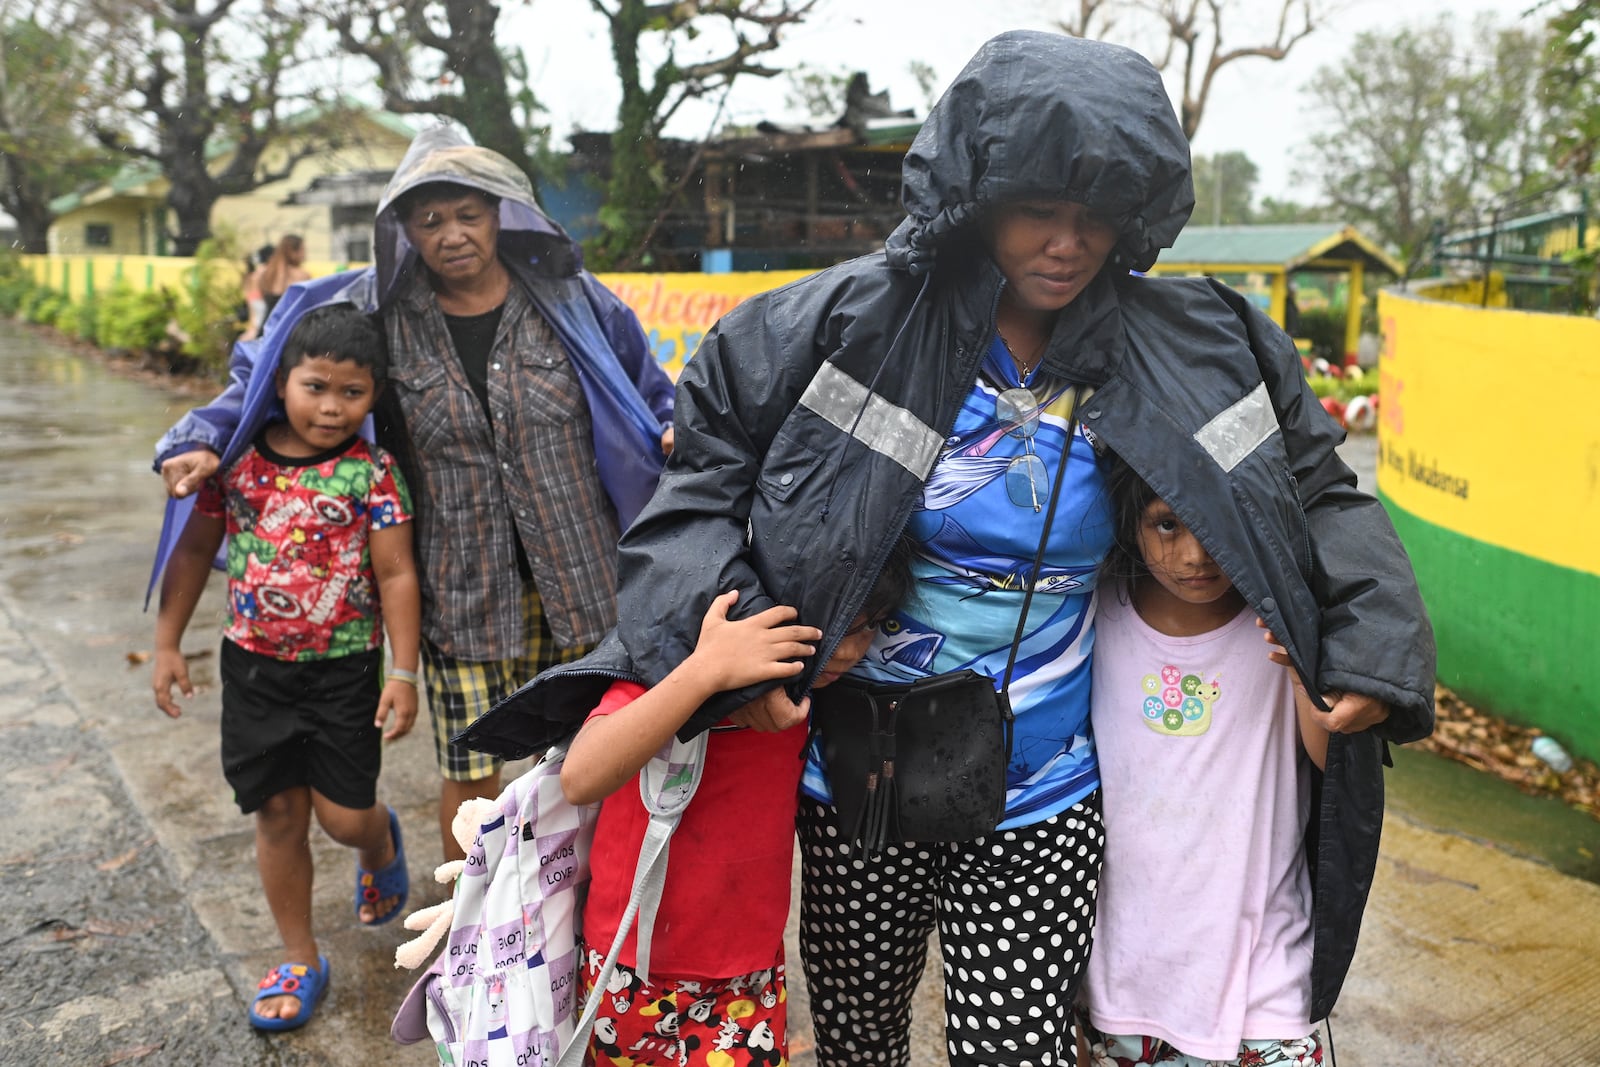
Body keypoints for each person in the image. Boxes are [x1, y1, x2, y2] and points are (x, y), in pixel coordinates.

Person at [572, 31, 1434, 1067]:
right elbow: (702, 470)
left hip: (1048, 795)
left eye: (1094, 213)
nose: (1067, 243)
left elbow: (1316, 488)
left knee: (1016, 1051)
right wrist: (731, 649)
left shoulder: (1203, 340)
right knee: (858, 1042)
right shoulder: (843, 323)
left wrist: (1373, 642)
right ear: (978, 196)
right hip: (860, 784)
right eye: (1038, 208)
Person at [151, 125, 677, 862]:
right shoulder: (380, 315)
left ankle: (572, 930)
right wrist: (198, 439)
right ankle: (469, 941)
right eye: (430, 220)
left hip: (586, 580)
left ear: (500, 214)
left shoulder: (572, 300)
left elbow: (649, 389)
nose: (452, 234)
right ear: (405, 230)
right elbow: (270, 368)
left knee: (588, 763)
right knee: (470, 776)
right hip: (462, 589)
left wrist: (672, 427)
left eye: (469, 212)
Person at [151, 305, 421, 1031]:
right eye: (316, 385)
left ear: (374, 395)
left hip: (345, 672)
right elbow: (191, 550)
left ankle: (381, 838)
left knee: (341, 817)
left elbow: (395, 575)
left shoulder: (373, 472)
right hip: (255, 671)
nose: (332, 406)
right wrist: (168, 641)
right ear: (281, 381)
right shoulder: (233, 463)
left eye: (353, 392)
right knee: (276, 811)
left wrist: (403, 671)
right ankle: (299, 956)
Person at [560, 538, 914, 1066]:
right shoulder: (670, 659)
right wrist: (707, 672)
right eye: (837, 622)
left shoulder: (808, 695)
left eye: (870, 626)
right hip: (633, 968)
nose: (849, 649)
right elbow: (581, 776)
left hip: (749, 974)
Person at [1079, 458, 1332, 1066]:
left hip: (1261, 988)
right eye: (1167, 525)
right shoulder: (1096, 613)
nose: (1195, 554)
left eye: (1215, 521)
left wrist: (1306, 672)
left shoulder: (1278, 627)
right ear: (1131, 526)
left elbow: (1332, 762)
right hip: (1123, 990)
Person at [242, 235, 311, 341]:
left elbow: (255, 303)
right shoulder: (301, 275)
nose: (305, 254)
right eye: (303, 250)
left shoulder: (265, 274)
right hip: (291, 331)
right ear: (292, 252)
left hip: (267, 328)